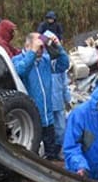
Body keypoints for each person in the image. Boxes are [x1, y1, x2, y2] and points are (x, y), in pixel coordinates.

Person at [12, 31, 70, 161]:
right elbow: (20, 72)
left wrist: (58, 48)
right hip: (31, 119)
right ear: (28, 45)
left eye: (42, 47)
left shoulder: (45, 61)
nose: (41, 50)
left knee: (51, 155)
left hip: (48, 117)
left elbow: (63, 65)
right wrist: (32, 53)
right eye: (39, 47)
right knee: (34, 156)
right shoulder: (17, 60)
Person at [50, 56, 72, 151]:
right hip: (47, 104)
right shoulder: (43, 64)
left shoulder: (59, 65)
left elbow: (64, 85)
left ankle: (57, 149)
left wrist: (67, 100)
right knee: (51, 128)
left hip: (58, 102)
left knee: (61, 128)